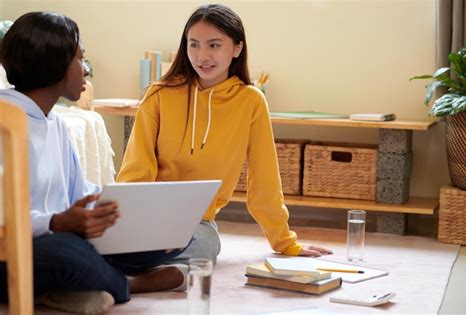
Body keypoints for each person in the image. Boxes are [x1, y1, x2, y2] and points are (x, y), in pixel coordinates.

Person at [0, 12, 187, 314]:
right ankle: (128, 283)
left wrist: (127, 215)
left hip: (63, 237)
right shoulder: (5, 122)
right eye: (80, 59)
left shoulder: (56, 123)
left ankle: (81, 285)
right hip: (14, 251)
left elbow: (80, 193)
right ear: (54, 63)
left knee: (172, 234)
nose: (85, 70)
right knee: (64, 252)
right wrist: (56, 223)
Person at [117, 4, 333, 265]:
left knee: (204, 248)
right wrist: (129, 224)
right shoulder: (158, 95)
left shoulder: (250, 101)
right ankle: (143, 265)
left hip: (196, 223)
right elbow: (135, 171)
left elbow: (264, 178)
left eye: (214, 45)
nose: (202, 55)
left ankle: (139, 273)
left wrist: (284, 241)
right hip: (148, 216)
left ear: (237, 48)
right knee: (90, 247)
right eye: (193, 44)